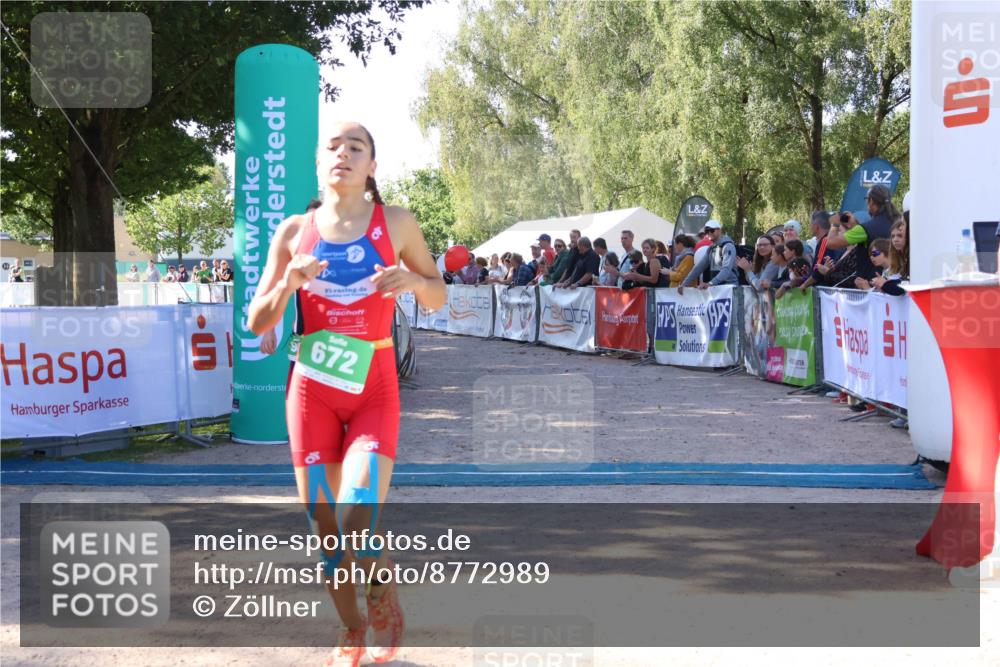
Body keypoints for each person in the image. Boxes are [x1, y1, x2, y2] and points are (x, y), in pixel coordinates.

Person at [248, 121, 445, 667]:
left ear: (372, 167)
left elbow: (438, 296)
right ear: (319, 164)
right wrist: (289, 281)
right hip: (310, 391)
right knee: (327, 533)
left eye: (355, 147)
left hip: (373, 389)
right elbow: (256, 319)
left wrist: (411, 283)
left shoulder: (397, 224)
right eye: (333, 147)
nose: (343, 153)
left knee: (358, 516)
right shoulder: (293, 232)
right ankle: (353, 630)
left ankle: (381, 582)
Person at [826, 184, 898, 280]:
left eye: (866, 199)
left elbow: (831, 243)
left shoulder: (865, 229)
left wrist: (834, 225)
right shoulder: (899, 223)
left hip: (870, 285)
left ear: (871, 201)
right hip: (897, 281)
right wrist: (855, 224)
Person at [679, 220, 738, 292]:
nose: (709, 233)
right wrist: (684, 283)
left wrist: (710, 283)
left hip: (730, 290)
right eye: (707, 231)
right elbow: (698, 267)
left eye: (712, 230)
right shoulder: (711, 248)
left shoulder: (728, 246)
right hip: (718, 290)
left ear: (719, 230)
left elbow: (726, 270)